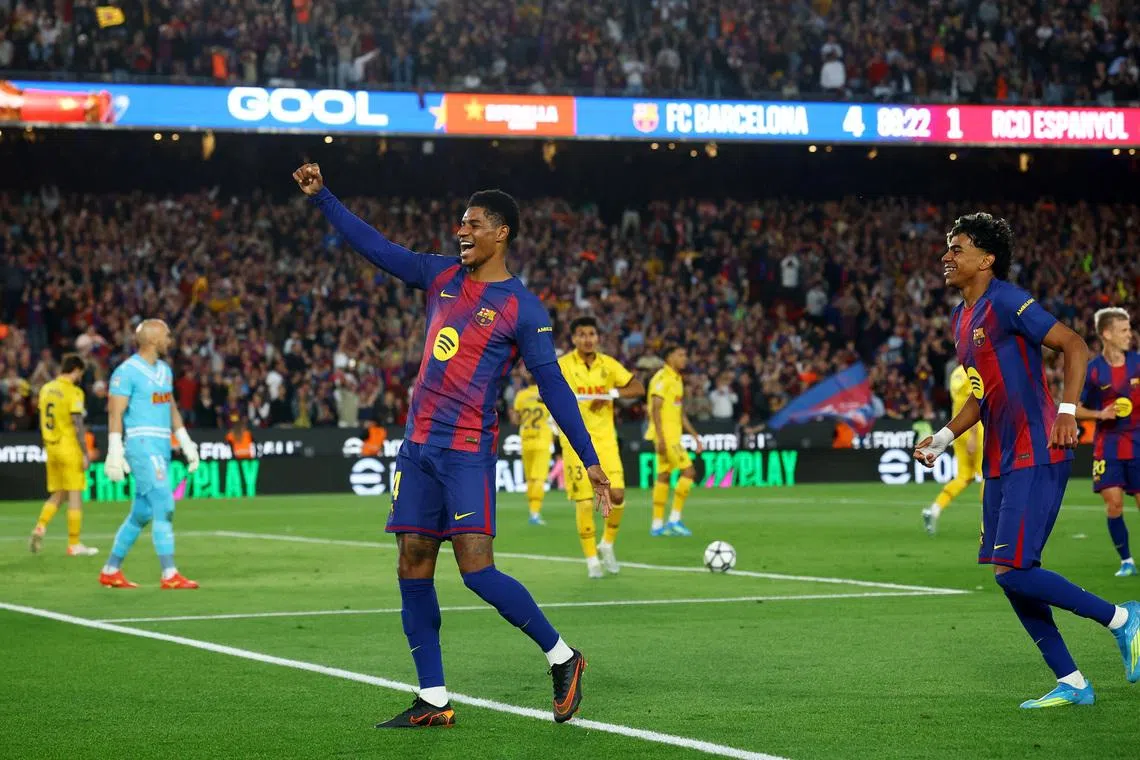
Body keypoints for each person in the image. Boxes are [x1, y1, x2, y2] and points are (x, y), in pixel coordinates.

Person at [295, 163, 611, 728]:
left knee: (476, 570)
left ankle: (563, 656)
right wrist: (325, 199)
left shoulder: (523, 308)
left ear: (501, 232)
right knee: (412, 564)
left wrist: (591, 461)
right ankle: (434, 698)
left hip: (466, 450)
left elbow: (555, 388)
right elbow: (376, 246)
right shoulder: (439, 276)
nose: (461, 231)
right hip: (417, 448)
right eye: (460, 223)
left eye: (472, 224)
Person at [914, 212, 1139, 708]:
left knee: (1015, 569)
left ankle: (1123, 619)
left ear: (986, 259)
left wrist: (1065, 410)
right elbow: (980, 397)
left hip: (1036, 449)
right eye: (948, 247)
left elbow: (1073, 344)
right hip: (999, 457)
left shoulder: (1006, 300)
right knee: (1007, 571)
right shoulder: (961, 318)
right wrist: (944, 438)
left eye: (959, 247)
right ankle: (1073, 682)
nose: (946, 255)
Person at [99, 320, 201, 590]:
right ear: (154, 339)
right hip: (141, 444)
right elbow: (115, 412)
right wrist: (115, 450)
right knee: (165, 505)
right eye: (167, 336)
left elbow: (171, 408)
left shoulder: (165, 371)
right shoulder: (127, 372)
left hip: (161, 446)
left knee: (141, 513)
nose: (170, 340)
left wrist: (186, 442)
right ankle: (170, 574)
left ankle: (110, 569)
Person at [557, 316, 644, 577]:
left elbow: (637, 387)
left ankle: (606, 544)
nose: (587, 338)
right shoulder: (563, 365)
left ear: (598, 337)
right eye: (581, 334)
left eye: (592, 334)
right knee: (585, 503)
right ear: (573, 339)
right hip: (576, 442)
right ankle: (592, 561)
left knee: (617, 495)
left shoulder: (608, 365)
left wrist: (609, 394)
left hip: (606, 440)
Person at [1076, 308, 1140, 576]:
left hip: (1137, 442)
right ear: (1107, 334)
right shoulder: (1092, 371)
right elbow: (1074, 409)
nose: (1130, 335)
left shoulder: (1137, 363)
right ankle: (1126, 561)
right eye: (1124, 330)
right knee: (1113, 504)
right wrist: (1100, 414)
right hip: (1108, 445)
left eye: (1129, 329)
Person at [29, 353, 98, 556]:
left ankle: (40, 527)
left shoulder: (46, 389)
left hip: (51, 447)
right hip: (69, 447)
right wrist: (85, 452)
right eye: (80, 374)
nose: (79, 378)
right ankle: (74, 544)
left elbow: (42, 418)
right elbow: (77, 424)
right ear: (75, 370)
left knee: (59, 493)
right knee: (75, 494)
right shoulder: (73, 392)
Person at [645, 345, 703, 536]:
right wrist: (661, 438)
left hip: (672, 435)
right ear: (669, 357)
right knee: (689, 471)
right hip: (667, 437)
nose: (684, 358)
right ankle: (674, 520)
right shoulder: (662, 378)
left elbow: (679, 413)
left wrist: (695, 436)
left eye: (685, 354)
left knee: (664, 476)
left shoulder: (677, 379)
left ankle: (656, 525)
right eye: (680, 354)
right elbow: (655, 408)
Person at [921, 363, 984, 534]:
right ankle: (990, 520)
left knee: (964, 476)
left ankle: (934, 509)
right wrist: (973, 436)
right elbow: (976, 402)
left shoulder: (956, 374)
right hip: (975, 431)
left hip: (957, 430)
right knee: (987, 475)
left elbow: (957, 403)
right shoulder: (976, 372)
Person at [509, 369, 554, 525]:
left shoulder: (521, 396)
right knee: (539, 479)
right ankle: (535, 513)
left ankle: (532, 511)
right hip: (542, 440)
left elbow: (515, 420)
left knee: (530, 479)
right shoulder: (547, 393)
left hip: (526, 440)